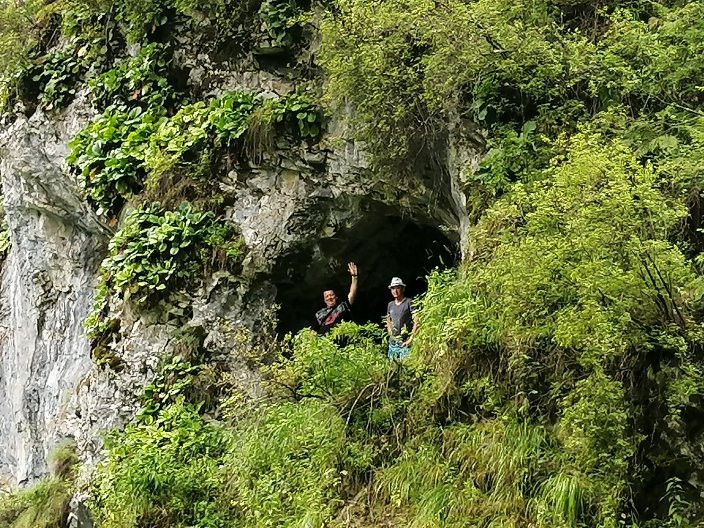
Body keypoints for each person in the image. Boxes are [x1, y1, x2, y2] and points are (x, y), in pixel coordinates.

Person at [315, 262, 358, 334]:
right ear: (324, 300)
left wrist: (354, 277)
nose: (329, 298)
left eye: (331, 295)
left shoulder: (343, 306)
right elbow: (314, 330)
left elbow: (352, 294)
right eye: (327, 296)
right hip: (326, 342)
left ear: (336, 297)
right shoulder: (319, 314)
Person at [386, 277, 416, 359]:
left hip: (405, 343)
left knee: (406, 367)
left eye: (397, 288)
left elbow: (417, 321)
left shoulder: (409, 302)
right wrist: (390, 332)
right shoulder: (390, 305)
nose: (395, 291)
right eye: (393, 288)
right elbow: (388, 320)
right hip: (393, 344)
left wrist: (411, 339)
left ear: (403, 289)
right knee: (392, 369)